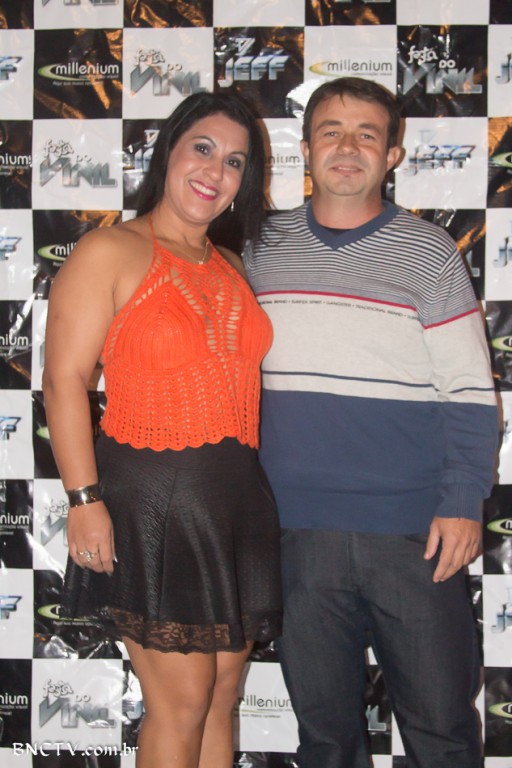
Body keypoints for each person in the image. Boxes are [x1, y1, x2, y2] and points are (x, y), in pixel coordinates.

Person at [244, 77, 498, 768]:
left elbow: (469, 388)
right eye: (331, 132)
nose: (348, 147)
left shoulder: (429, 252)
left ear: (392, 155)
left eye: (367, 135)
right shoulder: (258, 248)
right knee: (326, 742)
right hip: (296, 534)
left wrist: (462, 501)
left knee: (442, 734)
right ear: (305, 150)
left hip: (413, 534)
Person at [42, 91, 282, 768]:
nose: (215, 170)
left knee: (223, 694)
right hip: (157, 500)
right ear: (168, 152)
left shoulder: (231, 266)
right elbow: (63, 380)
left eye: (234, 161)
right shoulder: (110, 249)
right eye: (202, 148)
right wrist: (84, 500)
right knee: (181, 703)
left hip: (236, 502)